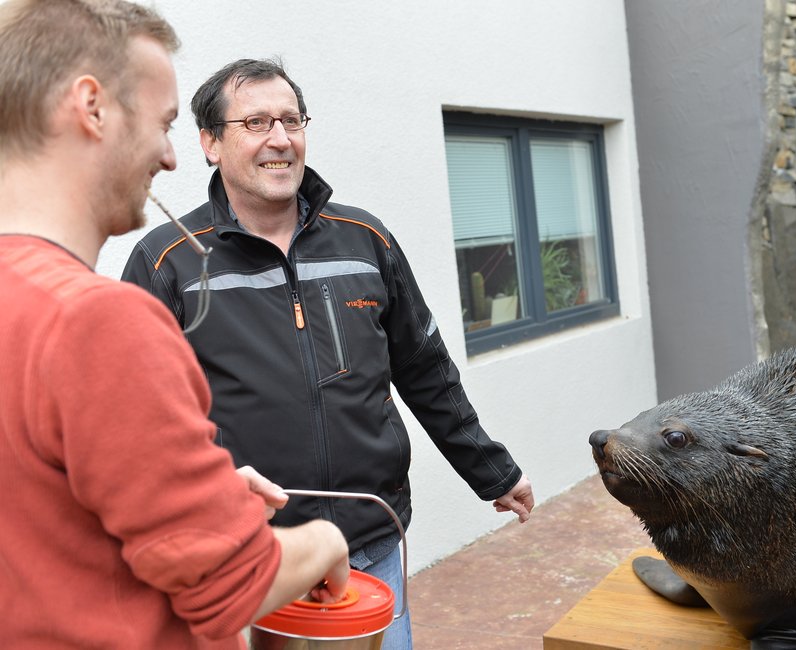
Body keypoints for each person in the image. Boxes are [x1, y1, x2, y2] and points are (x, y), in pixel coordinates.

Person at [123, 57, 536, 648]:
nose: (280, 139)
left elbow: (424, 369)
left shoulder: (364, 240)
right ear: (211, 143)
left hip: (371, 544)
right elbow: (136, 418)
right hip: (250, 558)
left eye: (292, 120)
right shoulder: (169, 261)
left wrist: (490, 470)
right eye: (256, 122)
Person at [0, 2, 350, 648]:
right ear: (92, 107)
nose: (167, 158)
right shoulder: (96, 319)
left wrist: (194, 491)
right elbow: (231, 584)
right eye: (163, 124)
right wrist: (326, 538)